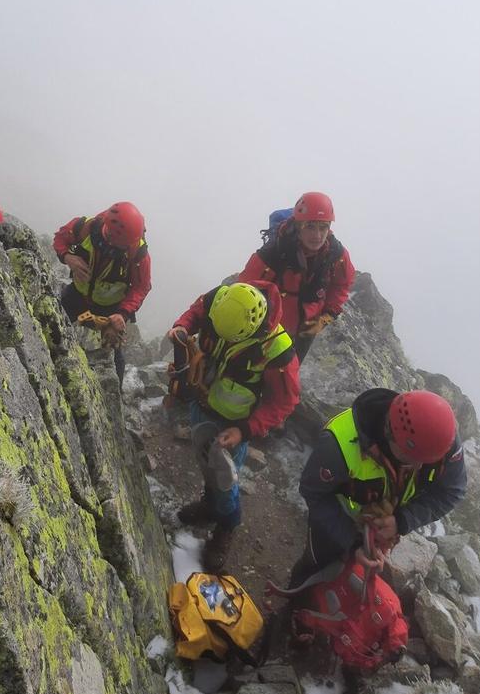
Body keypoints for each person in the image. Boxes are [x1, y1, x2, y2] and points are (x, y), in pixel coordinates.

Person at [168, 281, 300, 572]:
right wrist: (181, 327)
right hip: (202, 402)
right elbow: (194, 313)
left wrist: (245, 430)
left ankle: (226, 526)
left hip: (233, 423)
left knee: (225, 479)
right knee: (208, 464)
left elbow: (284, 402)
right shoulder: (220, 301)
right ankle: (208, 504)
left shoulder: (276, 350)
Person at [288, 388, 467, 589]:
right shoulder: (337, 443)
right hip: (338, 517)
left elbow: (452, 491)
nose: (418, 467)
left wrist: (402, 520)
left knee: (352, 581)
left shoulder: (439, 440)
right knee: (315, 565)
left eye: (425, 461)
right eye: (411, 458)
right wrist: (353, 542)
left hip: (386, 523)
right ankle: (294, 604)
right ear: (390, 435)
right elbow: (314, 492)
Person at [239, 192, 355, 363]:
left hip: (305, 332)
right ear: (299, 225)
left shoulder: (335, 254)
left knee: (287, 376)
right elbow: (243, 291)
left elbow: (341, 285)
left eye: (323, 227)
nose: (317, 235)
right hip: (267, 332)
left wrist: (325, 317)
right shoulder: (274, 253)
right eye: (310, 226)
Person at [53, 202, 151, 388]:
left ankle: (115, 397)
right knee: (53, 325)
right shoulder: (86, 227)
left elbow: (141, 287)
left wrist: (123, 314)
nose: (125, 247)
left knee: (114, 355)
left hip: (112, 308)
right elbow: (60, 239)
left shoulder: (138, 254)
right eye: (123, 244)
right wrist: (68, 257)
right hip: (78, 294)